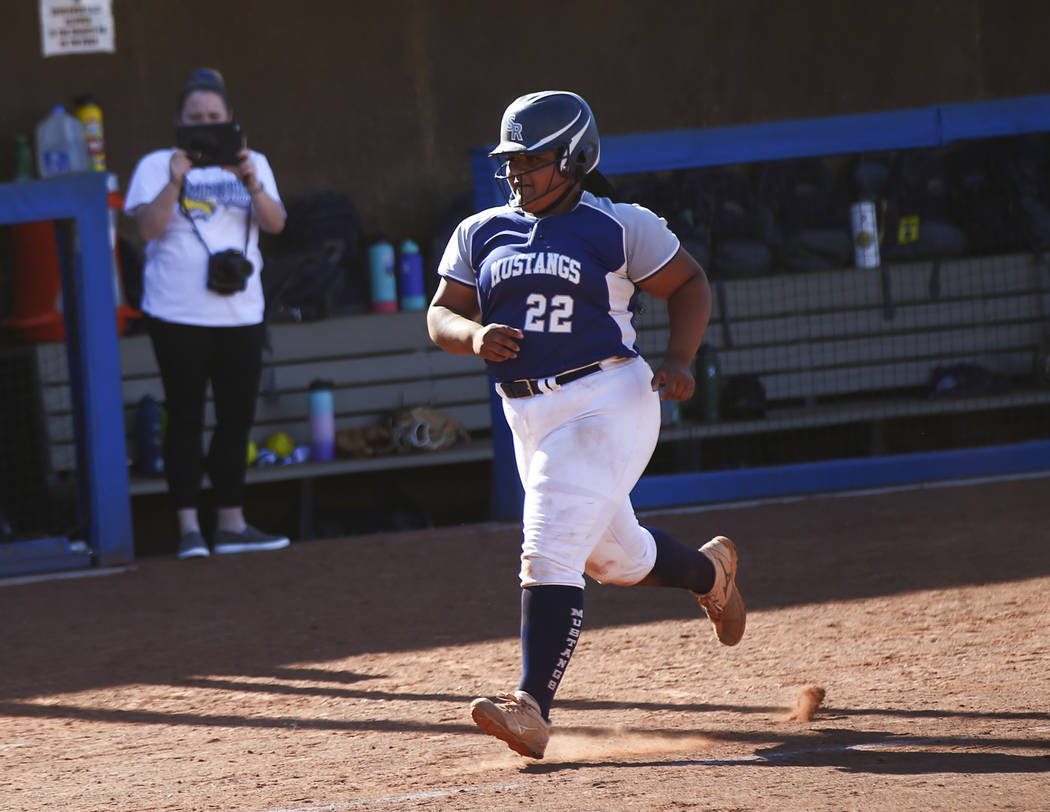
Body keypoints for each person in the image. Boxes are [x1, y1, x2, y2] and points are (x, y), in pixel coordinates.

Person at [426, 90, 746, 759]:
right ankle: (711, 576)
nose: (519, 172)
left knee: (546, 541)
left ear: (575, 155)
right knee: (614, 559)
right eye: (512, 160)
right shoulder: (479, 230)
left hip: (607, 397)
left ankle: (531, 706)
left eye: (535, 159)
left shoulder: (620, 224)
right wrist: (473, 332)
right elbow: (440, 313)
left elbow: (689, 285)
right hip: (527, 413)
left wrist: (680, 358)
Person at [123, 68, 290, 560]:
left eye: (214, 117)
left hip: (240, 314)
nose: (206, 124)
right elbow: (148, 230)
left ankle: (231, 525)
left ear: (231, 120)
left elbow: (276, 223)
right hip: (177, 313)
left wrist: (251, 180)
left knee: (236, 419)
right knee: (186, 417)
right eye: (196, 118)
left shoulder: (252, 162)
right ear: (179, 121)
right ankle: (189, 529)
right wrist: (177, 180)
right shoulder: (157, 164)